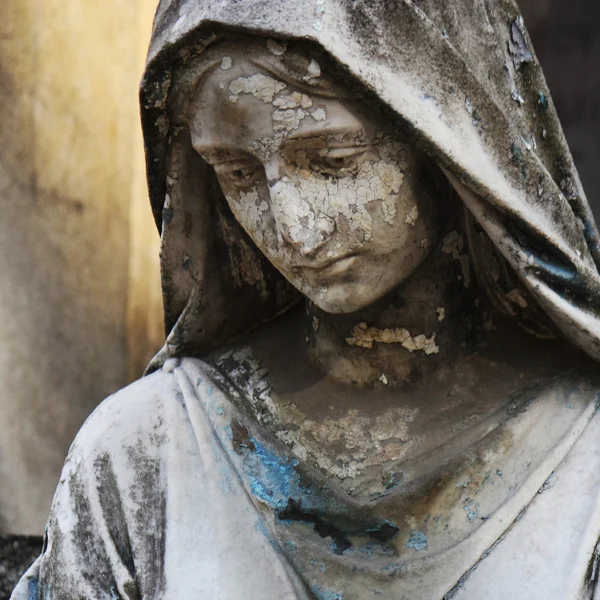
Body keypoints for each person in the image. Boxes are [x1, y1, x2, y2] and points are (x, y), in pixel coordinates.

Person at [12, 1, 600, 598]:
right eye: (238, 173)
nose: (295, 230)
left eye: (333, 162)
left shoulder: (586, 450)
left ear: (451, 146)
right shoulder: (144, 451)